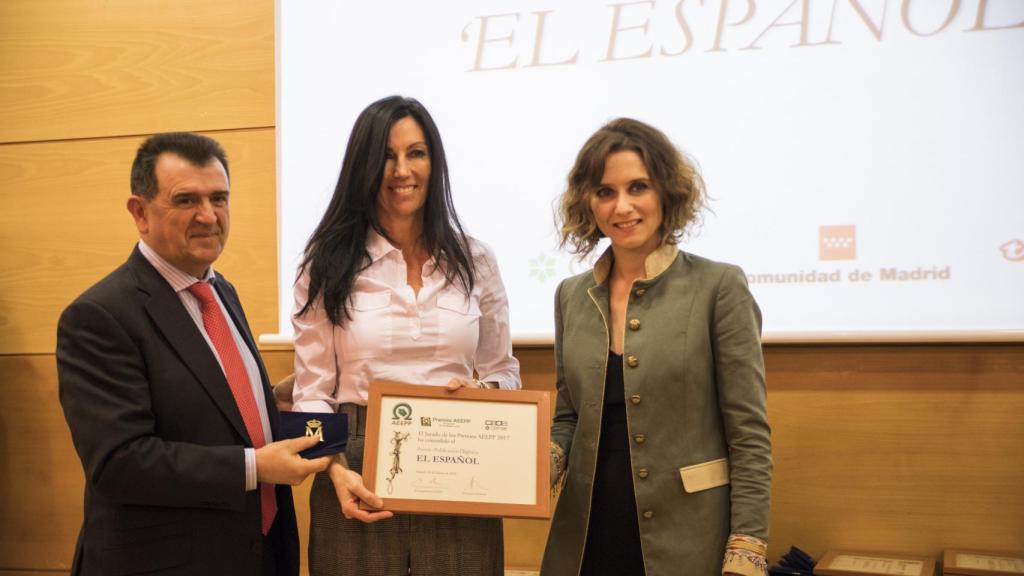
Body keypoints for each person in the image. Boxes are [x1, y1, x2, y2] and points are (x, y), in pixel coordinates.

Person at [57, 132, 330, 576]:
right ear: (140, 212)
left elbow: (215, 409)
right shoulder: (98, 316)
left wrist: (271, 404)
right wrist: (253, 466)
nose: (208, 216)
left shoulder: (221, 292)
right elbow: (120, 462)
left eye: (219, 198)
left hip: (255, 553)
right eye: (186, 200)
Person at [291, 95, 521, 576]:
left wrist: (482, 400)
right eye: (386, 157)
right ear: (364, 167)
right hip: (354, 470)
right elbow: (311, 392)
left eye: (415, 153)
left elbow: (503, 372)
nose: (401, 170)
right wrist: (333, 469)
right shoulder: (326, 264)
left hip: (463, 470)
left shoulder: (476, 259)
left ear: (434, 163)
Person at [541, 118, 772, 576]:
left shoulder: (718, 286)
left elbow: (748, 434)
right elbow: (569, 416)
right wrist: (526, 470)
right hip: (586, 535)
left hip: (689, 539)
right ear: (588, 202)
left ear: (666, 192)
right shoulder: (571, 294)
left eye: (638, 187)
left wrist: (747, 550)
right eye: (605, 191)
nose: (622, 206)